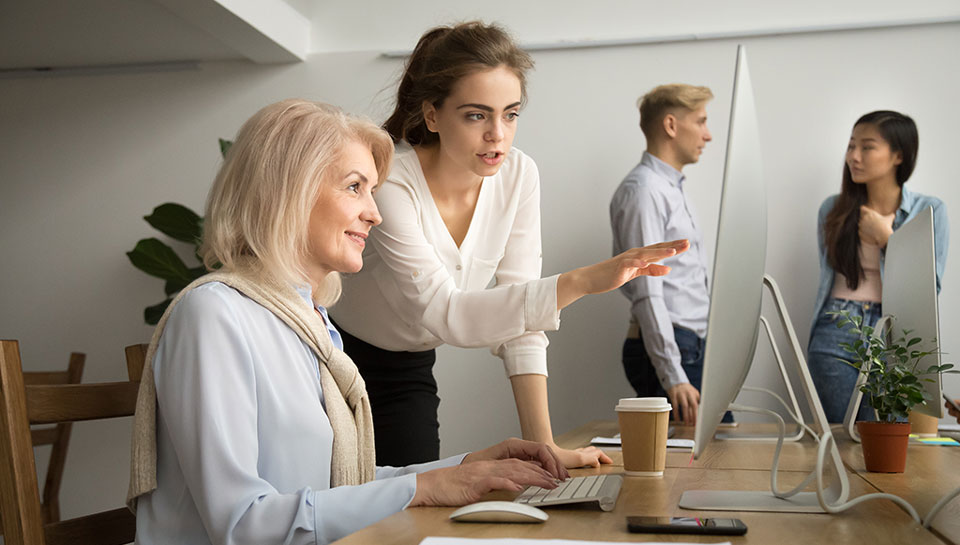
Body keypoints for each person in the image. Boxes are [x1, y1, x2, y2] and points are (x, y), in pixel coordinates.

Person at [128, 99, 572, 545]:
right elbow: (243, 524)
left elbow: (339, 482)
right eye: (355, 187)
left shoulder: (309, 322)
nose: (374, 213)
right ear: (288, 191)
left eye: (372, 191)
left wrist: (469, 468)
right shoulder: (213, 315)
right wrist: (426, 489)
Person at [330, 21, 688, 468]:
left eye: (511, 114)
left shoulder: (519, 175)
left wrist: (546, 448)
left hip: (410, 368)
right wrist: (582, 280)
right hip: (338, 361)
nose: (498, 133)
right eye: (476, 115)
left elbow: (523, 321)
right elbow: (447, 314)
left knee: (410, 515)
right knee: (345, 516)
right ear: (432, 116)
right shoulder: (391, 182)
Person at [808, 110, 949, 423]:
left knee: (891, 440)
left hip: (896, 332)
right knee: (846, 438)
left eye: (867, 147)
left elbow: (931, 285)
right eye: (851, 146)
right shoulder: (832, 209)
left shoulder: (930, 210)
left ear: (898, 155)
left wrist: (888, 239)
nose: (854, 156)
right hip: (837, 328)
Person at [609, 83, 725, 426]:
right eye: (701, 122)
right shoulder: (644, 191)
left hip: (689, 344)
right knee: (684, 465)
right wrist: (674, 375)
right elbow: (647, 290)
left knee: (705, 458)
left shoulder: (669, 188)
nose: (708, 135)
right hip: (674, 347)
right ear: (671, 126)